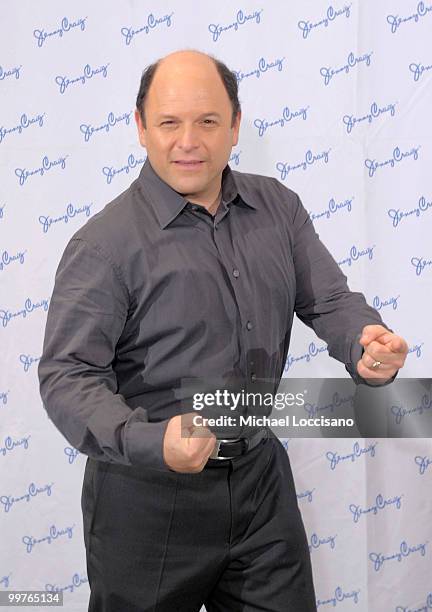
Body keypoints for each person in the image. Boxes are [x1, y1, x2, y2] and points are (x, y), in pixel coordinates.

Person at [38, 49, 408, 612]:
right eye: (169, 122)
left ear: (235, 125)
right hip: (147, 503)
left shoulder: (278, 208)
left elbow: (330, 300)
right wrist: (151, 441)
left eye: (208, 121)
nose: (189, 140)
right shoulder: (103, 246)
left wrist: (365, 341)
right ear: (140, 128)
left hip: (261, 487)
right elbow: (67, 377)